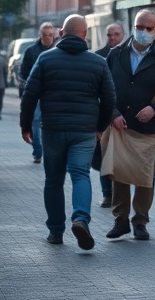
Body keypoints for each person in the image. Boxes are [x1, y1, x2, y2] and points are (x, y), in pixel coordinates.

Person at [19, 15, 115, 248]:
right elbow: (110, 98)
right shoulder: (98, 62)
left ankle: (55, 231)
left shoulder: (45, 59)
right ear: (85, 34)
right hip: (84, 131)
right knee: (80, 174)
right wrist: (99, 128)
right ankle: (81, 218)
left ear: (61, 32)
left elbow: (29, 94)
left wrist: (25, 125)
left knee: (53, 180)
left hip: (53, 129)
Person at [105, 9, 155, 241]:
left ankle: (140, 221)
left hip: (149, 129)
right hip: (120, 125)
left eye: (149, 28)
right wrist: (113, 113)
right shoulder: (116, 54)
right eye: (140, 27)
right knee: (119, 173)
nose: (144, 32)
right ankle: (120, 220)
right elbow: (103, 88)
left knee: (144, 175)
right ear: (133, 27)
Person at [93, 22, 126, 207]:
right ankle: (107, 194)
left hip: (125, 116)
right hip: (105, 116)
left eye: (116, 34)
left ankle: (120, 195)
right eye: (109, 35)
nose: (113, 38)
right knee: (105, 156)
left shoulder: (128, 56)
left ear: (123, 34)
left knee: (123, 158)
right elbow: (98, 91)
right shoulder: (98, 57)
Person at [20, 22, 56, 163]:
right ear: (40, 35)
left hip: (53, 94)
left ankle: (51, 151)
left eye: (50, 35)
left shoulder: (58, 50)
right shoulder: (31, 51)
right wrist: (27, 85)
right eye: (45, 35)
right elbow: (23, 72)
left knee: (51, 123)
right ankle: (38, 151)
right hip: (36, 94)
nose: (48, 37)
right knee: (35, 121)